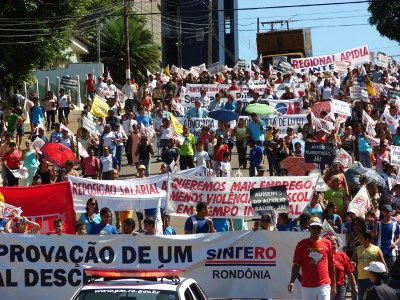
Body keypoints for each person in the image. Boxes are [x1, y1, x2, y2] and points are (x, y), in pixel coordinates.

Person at [288, 218, 336, 300]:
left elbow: (332, 265)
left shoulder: (327, 243)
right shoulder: (301, 244)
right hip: (307, 286)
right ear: (309, 228)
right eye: (313, 228)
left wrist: (334, 286)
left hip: (324, 285)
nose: (316, 230)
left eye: (318, 228)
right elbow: (296, 265)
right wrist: (292, 281)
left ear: (321, 230)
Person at [352, 230, 386, 300]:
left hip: (373, 278)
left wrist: (386, 276)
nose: (359, 239)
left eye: (361, 238)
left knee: (374, 297)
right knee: (361, 297)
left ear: (367, 239)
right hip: (361, 278)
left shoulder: (376, 249)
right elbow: (353, 260)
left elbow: (383, 263)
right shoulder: (357, 249)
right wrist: (353, 263)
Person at [329, 236, 358, 300]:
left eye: (333, 243)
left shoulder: (342, 255)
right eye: (329, 244)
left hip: (340, 287)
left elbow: (350, 273)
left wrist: (354, 287)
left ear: (337, 244)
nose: (332, 245)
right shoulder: (324, 256)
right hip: (326, 287)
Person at [373, 204, 400, 270]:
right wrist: (375, 224)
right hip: (379, 252)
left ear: (391, 212)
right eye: (385, 211)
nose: (387, 212)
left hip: (391, 253)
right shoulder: (378, 224)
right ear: (382, 212)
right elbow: (374, 236)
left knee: (391, 273)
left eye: (388, 211)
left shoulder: (395, 224)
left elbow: (399, 237)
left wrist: (395, 243)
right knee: (380, 273)